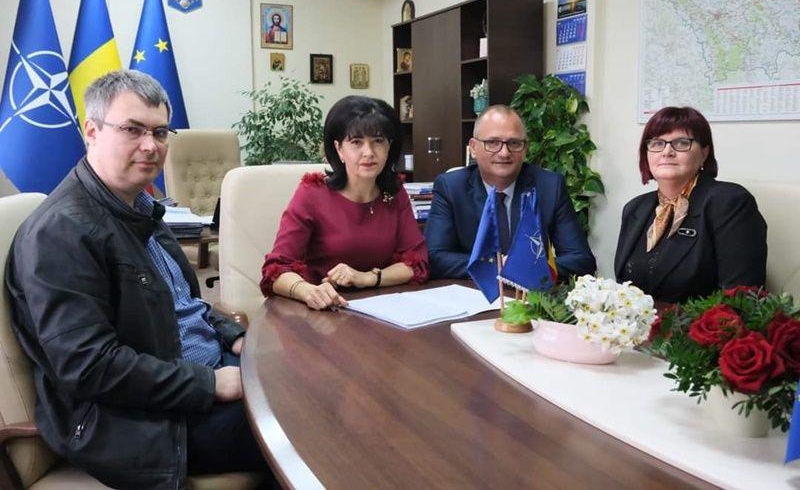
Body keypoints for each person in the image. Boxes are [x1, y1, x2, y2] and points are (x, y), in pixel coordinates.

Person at [5, 70, 270, 489]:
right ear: (92, 131)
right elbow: (90, 367)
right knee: (300, 423)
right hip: (136, 422)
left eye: (160, 132)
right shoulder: (60, 233)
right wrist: (209, 384)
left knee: (306, 383)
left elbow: (183, 304)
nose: (151, 145)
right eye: (132, 129)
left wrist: (229, 333)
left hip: (192, 377)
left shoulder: (141, 206)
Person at [261, 95, 428, 310]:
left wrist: (367, 278)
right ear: (339, 149)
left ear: (390, 147)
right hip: (321, 311)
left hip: (379, 309)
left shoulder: (394, 193)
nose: (369, 152)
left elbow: (417, 264)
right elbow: (275, 271)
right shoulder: (312, 193)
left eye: (378, 141)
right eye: (356, 142)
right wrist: (308, 291)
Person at [425, 105, 596, 280]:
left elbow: (581, 260)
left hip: (531, 292)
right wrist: (497, 266)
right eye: (493, 143)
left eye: (514, 143)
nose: (504, 153)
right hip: (472, 291)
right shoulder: (451, 188)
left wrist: (526, 268)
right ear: (473, 148)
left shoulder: (550, 187)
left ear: (525, 148)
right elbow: (435, 258)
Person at [614, 106, 767, 303]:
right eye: (657, 143)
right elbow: (623, 288)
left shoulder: (729, 202)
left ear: (704, 153)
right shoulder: (635, 209)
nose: (667, 152)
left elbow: (740, 298)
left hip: (701, 323)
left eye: (681, 143)